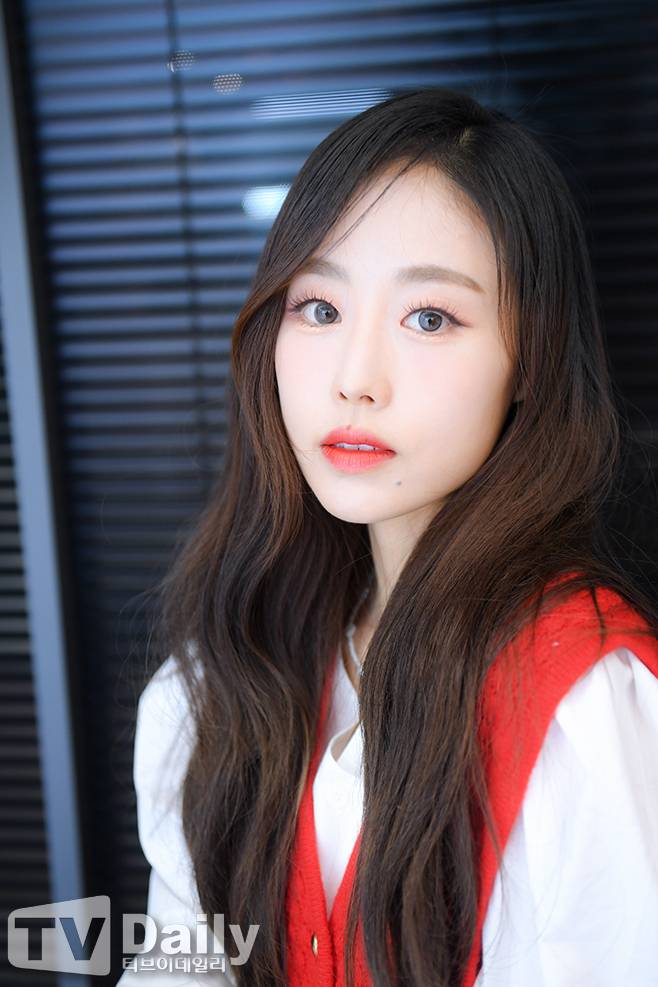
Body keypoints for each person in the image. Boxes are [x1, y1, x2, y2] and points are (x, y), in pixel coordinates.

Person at [116, 87, 658, 987]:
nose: (356, 378)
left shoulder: (583, 707)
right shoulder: (219, 678)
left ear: (529, 359)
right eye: (319, 308)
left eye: (429, 317)